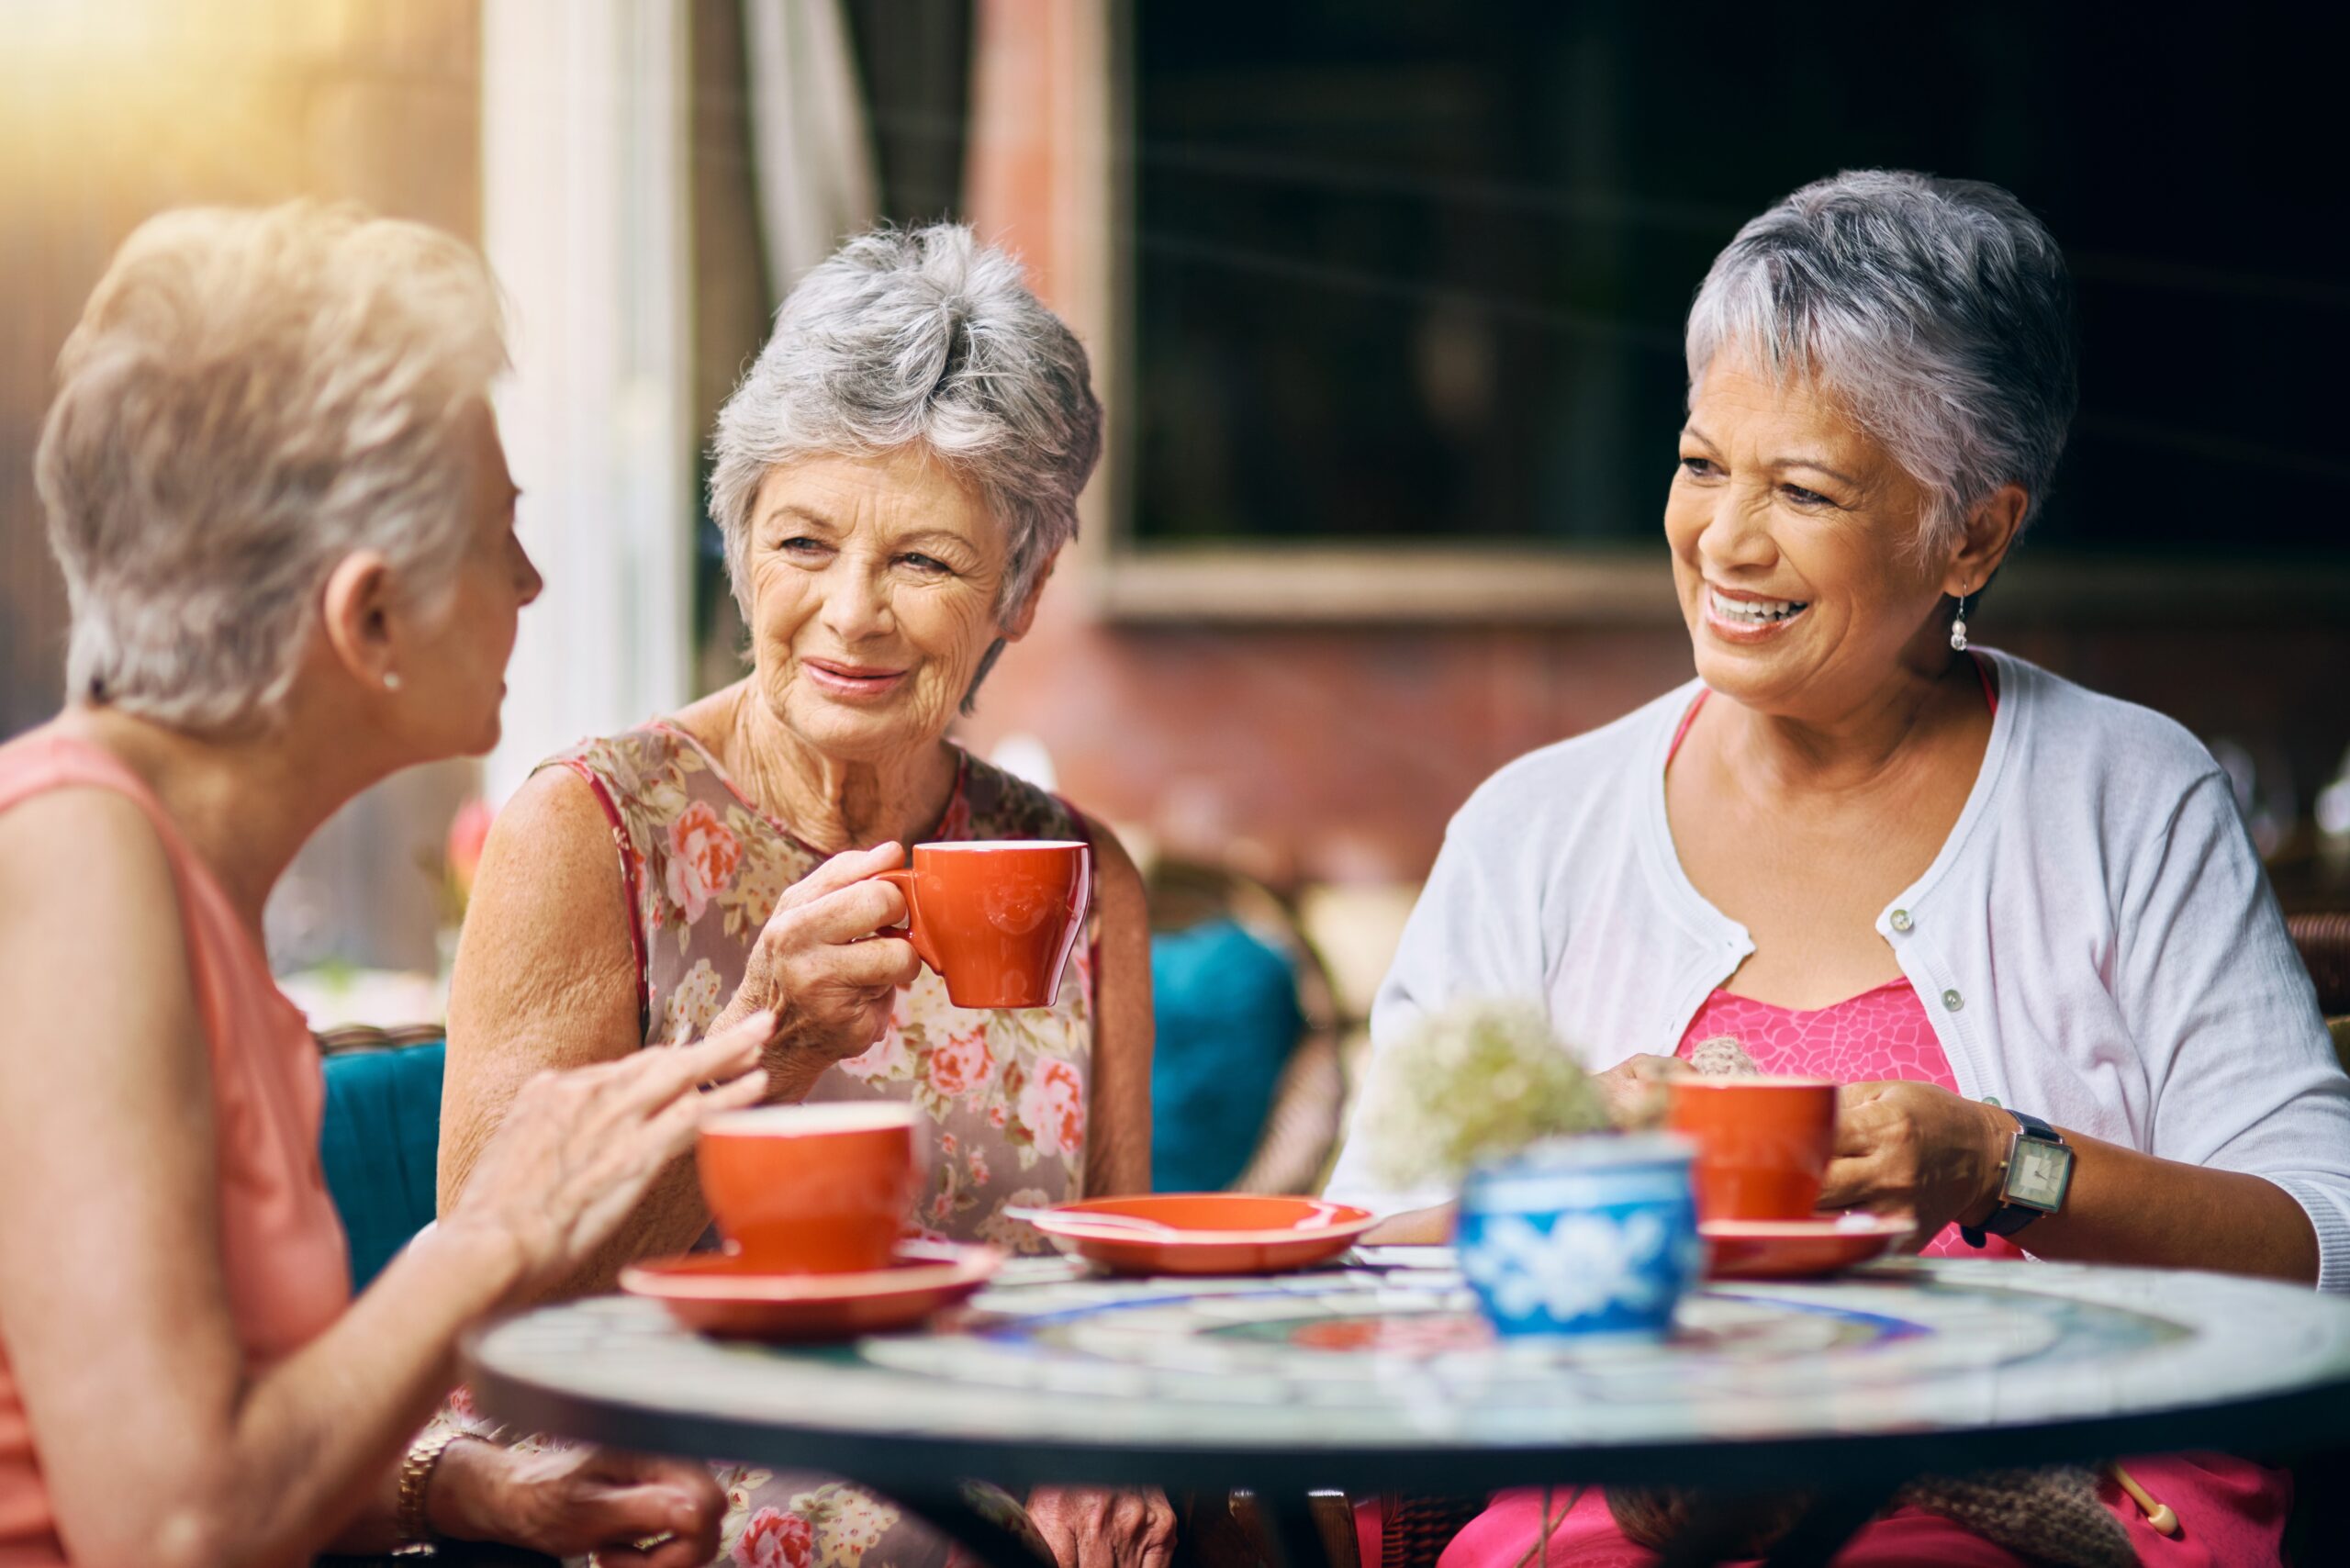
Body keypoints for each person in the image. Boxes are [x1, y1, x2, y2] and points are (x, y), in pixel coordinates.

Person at [1324, 170, 2349, 1566]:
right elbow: (1364, 1263)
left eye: (1803, 489)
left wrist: (2001, 1166)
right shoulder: (1535, 826)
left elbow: (2325, 1244)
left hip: (2046, 1495)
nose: (1726, 542)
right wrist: (1561, 1181)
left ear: (1972, 533)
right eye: (1701, 464)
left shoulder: (2128, 792)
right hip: (1631, 1510)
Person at [0, 203, 775, 1567]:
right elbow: (169, 1532)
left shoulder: (173, 890)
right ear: (368, 620)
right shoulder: (74, 869)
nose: (531, 581)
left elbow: (196, 1450)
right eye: (498, 534)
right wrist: (494, 1233)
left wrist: (463, 1490)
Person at [439, 223, 1170, 1568]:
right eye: (802, 541)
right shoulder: (590, 832)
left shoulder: (1077, 878)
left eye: (925, 563)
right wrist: (764, 1050)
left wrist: (1100, 1458)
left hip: (989, 1484)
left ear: (1024, 588)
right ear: (738, 545)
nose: (850, 614)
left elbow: (1108, 1289)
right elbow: (489, 1312)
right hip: (661, 1488)